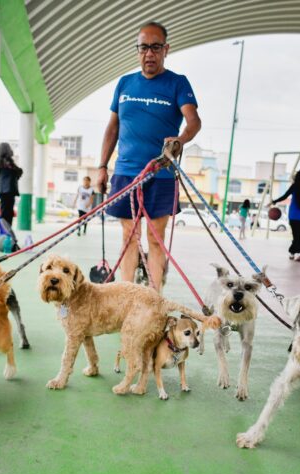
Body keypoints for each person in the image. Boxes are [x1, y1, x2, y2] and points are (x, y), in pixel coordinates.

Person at [96, 21, 201, 290]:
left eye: (155, 47)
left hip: (162, 174)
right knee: (129, 237)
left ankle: (154, 299)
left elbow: (193, 121)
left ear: (166, 49)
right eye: (144, 47)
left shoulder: (177, 83)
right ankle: (126, 297)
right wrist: (101, 166)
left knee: (156, 240)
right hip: (126, 173)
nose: (149, 54)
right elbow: (113, 127)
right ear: (138, 50)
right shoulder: (125, 83)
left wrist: (181, 139)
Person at [270, 168, 300, 261]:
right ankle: (292, 252)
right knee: (298, 235)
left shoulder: (295, 185)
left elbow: (285, 196)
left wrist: (274, 201)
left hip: (294, 213)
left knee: (296, 235)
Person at [0, 142, 23, 227]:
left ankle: (4, 230)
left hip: (2, 190)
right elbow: (19, 172)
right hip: (9, 191)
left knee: (4, 212)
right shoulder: (10, 163)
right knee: (8, 213)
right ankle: (6, 231)